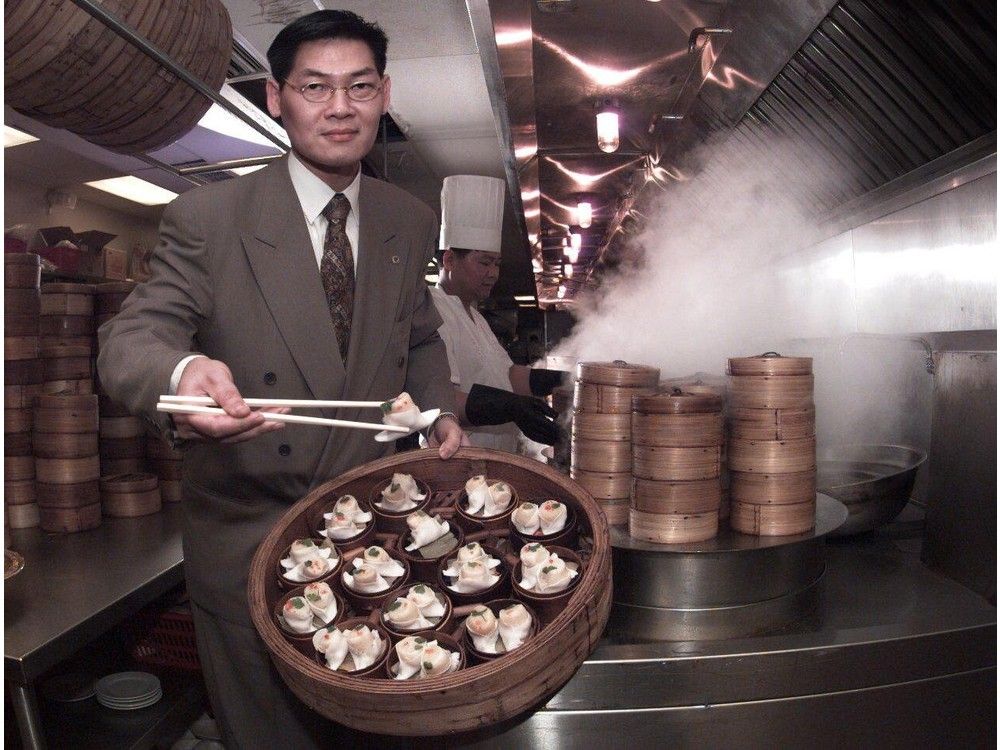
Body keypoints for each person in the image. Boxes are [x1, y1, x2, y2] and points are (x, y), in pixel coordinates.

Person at [97, 10, 464, 748]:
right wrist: (184, 369)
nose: (339, 108)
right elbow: (129, 337)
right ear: (276, 97)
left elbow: (418, 335)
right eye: (315, 87)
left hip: (372, 540)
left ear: (385, 94)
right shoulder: (211, 217)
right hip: (250, 546)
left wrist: (439, 410)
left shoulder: (409, 219)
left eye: (360, 87)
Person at [431, 174, 566, 452]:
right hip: (462, 453)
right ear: (449, 259)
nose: (493, 273)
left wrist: (560, 380)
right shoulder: (433, 309)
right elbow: (439, 397)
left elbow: (506, 375)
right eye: (484, 262)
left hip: (497, 455)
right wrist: (510, 407)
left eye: (497, 264)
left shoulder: (476, 316)